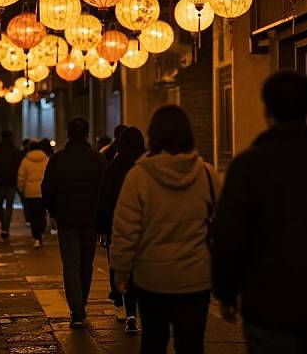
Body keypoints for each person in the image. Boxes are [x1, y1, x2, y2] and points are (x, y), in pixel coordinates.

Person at [212, 71, 307, 354]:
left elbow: (229, 235)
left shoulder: (247, 167)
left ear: (267, 109)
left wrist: (226, 291)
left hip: (265, 301)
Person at [111, 105, 220, 354]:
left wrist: (121, 271)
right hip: (195, 277)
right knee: (191, 344)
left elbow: (126, 230)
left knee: (153, 340)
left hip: (152, 277)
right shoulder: (206, 174)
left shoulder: (139, 176)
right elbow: (224, 226)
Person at [42, 118, 106, 329]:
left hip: (67, 220)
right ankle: (82, 302)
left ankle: (76, 310)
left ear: (68, 133)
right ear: (87, 134)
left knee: (70, 265)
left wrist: (54, 211)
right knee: (86, 264)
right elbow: (103, 191)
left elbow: (47, 189)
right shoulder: (97, 159)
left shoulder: (58, 160)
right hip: (90, 220)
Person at [97, 127, 145, 334]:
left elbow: (105, 202)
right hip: (144, 227)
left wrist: (103, 229)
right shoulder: (146, 167)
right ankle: (138, 312)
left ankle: (123, 308)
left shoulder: (113, 167)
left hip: (118, 227)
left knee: (117, 266)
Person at [0, 130, 22, 239]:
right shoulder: (16, 152)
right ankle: (5, 227)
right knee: (9, 206)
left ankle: (3, 225)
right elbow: (19, 167)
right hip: (11, 182)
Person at [17, 140, 49, 248]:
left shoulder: (25, 161)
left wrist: (21, 189)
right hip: (43, 192)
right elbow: (50, 176)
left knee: (33, 216)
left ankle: (36, 237)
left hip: (30, 193)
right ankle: (42, 229)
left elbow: (21, 177)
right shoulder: (46, 160)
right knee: (42, 213)